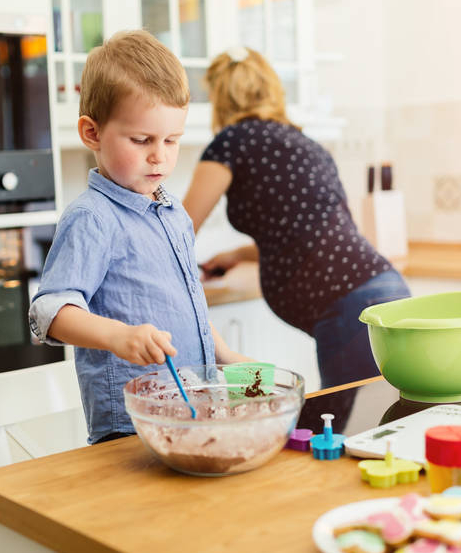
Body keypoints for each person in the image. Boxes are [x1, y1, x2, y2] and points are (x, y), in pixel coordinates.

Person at [28, 31, 249, 444]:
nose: (159, 156)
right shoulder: (92, 218)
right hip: (131, 427)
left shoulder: (174, 213)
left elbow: (191, 303)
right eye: (142, 140)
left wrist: (222, 355)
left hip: (192, 415)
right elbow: (49, 312)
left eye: (172, 140)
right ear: (92, 133)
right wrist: (119, 336)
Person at [182, 46, 411, 390]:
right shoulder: (306, 144)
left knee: (347, 435)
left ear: (221, 98)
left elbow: (178, 231)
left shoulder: (230, 143)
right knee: (382, 427)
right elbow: (304, 234)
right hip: (386, 290)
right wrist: (238, 256)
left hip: (354, 311)